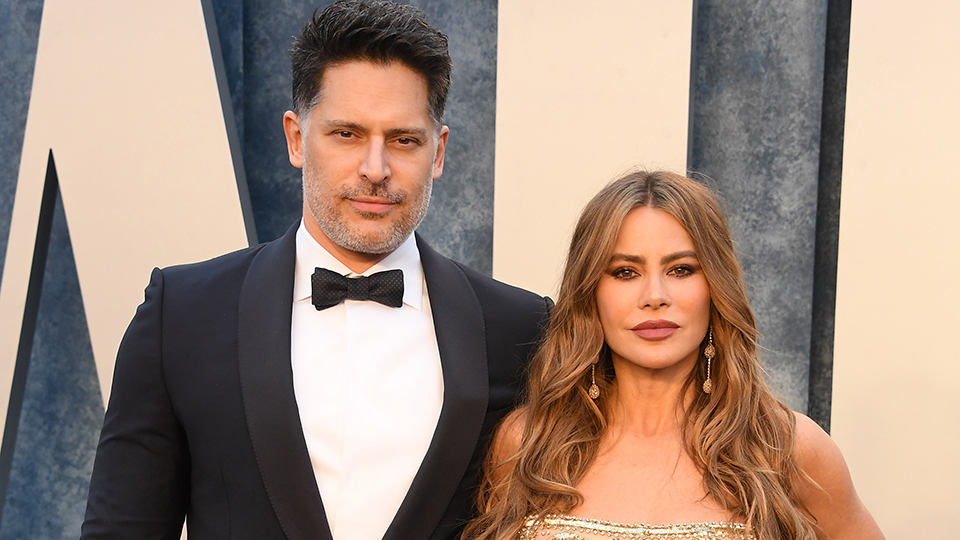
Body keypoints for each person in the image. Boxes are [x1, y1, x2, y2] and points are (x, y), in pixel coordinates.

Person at [80, 2, 551, 539]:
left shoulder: (522, 329)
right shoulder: (181, 314)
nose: (376, 170)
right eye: (346, 134)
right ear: (297, 139)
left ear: (438, 152)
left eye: (404, 139)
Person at [463, 170, 884, 540]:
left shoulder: (788, 447)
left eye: (681, 269)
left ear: (716, 286)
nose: (654, 297)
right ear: (590, 292)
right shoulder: (528, 442)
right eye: (625, 272)